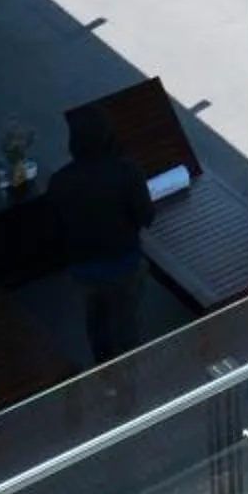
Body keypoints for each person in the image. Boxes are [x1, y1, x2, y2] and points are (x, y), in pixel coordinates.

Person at [48, 109, 157, 364]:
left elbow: (54, 228)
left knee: (95, 319)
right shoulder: (127, 172)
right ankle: (127, 380)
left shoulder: (60, 181)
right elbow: (147, 217)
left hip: (83, 268)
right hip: (124, 264)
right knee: (125, 323)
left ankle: (103, 369)